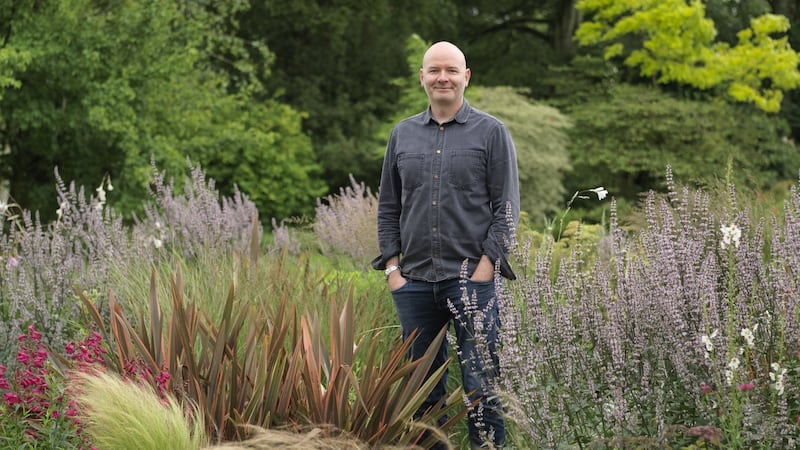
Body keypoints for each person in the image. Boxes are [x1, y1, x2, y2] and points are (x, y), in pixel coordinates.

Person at [372, 41, 520, 449]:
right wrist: (392, 270)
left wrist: (487, 266)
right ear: (422, 77)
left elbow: (506, 208)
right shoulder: (402, 134)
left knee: (481, 390)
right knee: (421, 393)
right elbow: (388, 206)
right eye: (434, 70)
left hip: (472, 281)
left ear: (466, 77)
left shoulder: (491, 133)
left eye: (451, 70)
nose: (443, 77)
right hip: (414, 284)